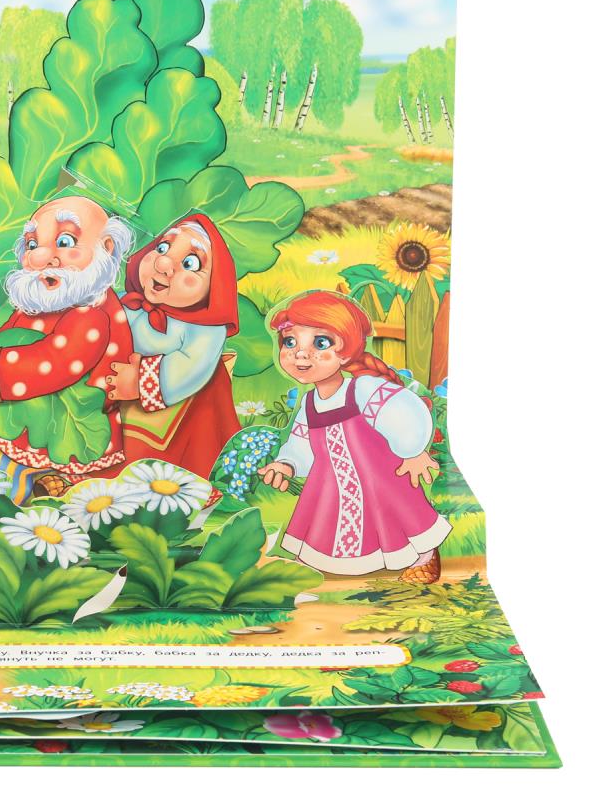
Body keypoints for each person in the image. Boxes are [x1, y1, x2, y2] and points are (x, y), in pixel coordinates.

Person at [0, 195, 135, 504]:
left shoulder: (91, 314)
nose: (40, 258)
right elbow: (13, 335)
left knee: (2, 463)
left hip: (64, 424)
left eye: (65, 242)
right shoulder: (47, 300)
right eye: (32, 244)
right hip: (28, 408)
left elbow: (56, 362)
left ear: (105, 248)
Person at [258, 290, 450, 583]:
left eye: (320, 343)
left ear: (346, 352)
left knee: (398, 515)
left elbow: (403, 411)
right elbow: (300, 444)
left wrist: (413, 450)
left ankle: (423, 556)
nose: (300, 353)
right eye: (290, 342)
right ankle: (317, 562)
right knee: (324, 519)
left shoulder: (362, 390)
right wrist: (286, 464)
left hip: (379, 478)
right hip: (330, 484)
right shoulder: (308, 404)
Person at [105, 214, 241, 480]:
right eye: (162, 247)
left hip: (178, 406)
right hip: (114, 392)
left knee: (148, 455)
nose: (163, 263)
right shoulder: (125, 302)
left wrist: (141, 380)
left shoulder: (205, 328)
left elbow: (191, 365)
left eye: (190, 263)